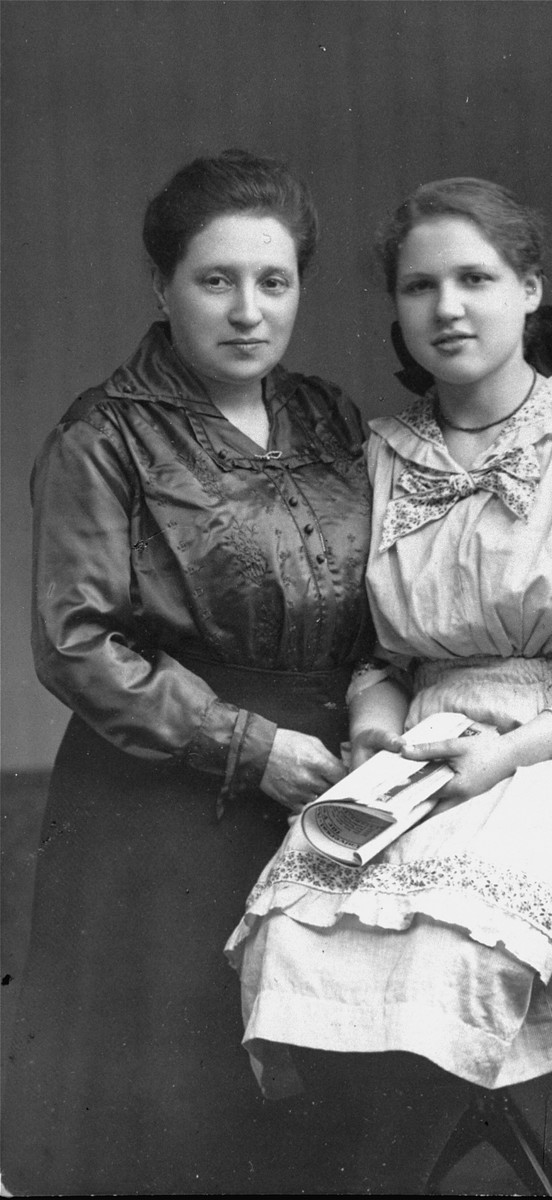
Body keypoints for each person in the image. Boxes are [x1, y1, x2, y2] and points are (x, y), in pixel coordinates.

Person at [225, 176, 552, 1193]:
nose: (448, 308)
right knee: (303, 923)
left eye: (475, 278)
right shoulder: (382, 458)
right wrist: (376, 733)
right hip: (425, 748)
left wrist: (510, 754)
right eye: (420, 286)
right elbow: (379, 656)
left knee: (445, 944)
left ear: (530, 288)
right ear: (395, 308)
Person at [2, 150, 373, 1196]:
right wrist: (249, 751)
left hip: (328, 784)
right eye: (216, 281)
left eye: (275, 281)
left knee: (317, 1099)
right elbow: (76, 644)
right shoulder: (104, 435)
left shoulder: (333, 419)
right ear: (161, 287)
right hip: (160, 805)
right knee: (174, 1114)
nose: (249, 311)